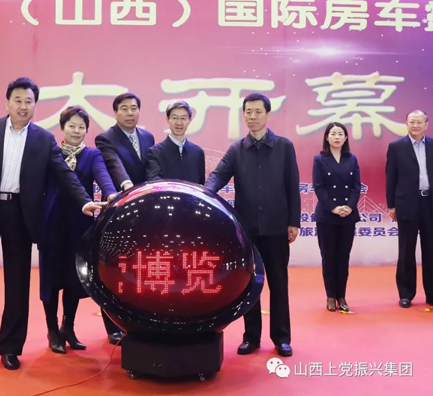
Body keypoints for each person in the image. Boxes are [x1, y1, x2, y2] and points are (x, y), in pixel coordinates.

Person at [0, 77, 104, 370]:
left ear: (35, 105)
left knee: (17, 284)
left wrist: (84, 201)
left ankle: (10, 348)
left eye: (29, 101)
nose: (23, 106)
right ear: (7, 102)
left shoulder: (43, 139)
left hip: (20, 215)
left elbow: (64, 174)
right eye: (18, 100)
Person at [205, 93, 300, 357]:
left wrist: (294, 221)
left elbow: (292, 185)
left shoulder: (284, 146)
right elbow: (218, 175)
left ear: (268, 115)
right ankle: (251, 337)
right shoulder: (237, 149)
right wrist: (205, 192)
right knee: (250, 285)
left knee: (279, 284)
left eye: (258, 112)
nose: (253, 117)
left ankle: (281, 337)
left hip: (276, 227)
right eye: (248, 112)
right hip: (246, 230)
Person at [39, 106, 117, 354]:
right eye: (71, 126)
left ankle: (68, 328)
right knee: (51, 280)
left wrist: (111, 194)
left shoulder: (92, 155)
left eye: (81, 127)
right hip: (51, 225)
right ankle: (52, 330)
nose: (76, 131)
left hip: (79, 225)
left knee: (74, 280)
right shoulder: (50, 153)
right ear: (62, 128)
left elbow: (103, 176)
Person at [95, 92, 155, 344]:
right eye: (124, 108)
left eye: (134, 108)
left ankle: (140, 318)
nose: (130, 113)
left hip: (145, 212)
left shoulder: (148, 137)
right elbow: (114, 164)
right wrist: (128, 186)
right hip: (120, 208)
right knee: (114, 268)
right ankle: (113, 326)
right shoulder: (105, 138)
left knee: (140, 268)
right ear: (115, 112)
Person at [385, 110, 433, 308]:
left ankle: (431, 294)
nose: (416, 125)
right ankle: (406, 294)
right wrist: (391, 205)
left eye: (419, 122)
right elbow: (391, 177)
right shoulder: (396, 147)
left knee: (431, 250)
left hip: (430, 204)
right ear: (406, 124)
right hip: (406, 204)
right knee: (406, 250)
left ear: (426, 124)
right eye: (412, 122)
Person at [312, 122, 361, 312]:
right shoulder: (319, 159)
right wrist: (333, 207)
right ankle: (330, 296)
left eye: (341, 134)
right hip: (327, 216)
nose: (337, 137)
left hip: (348, 215)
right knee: (328, 257)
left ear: (346, 137)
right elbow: (319, 187)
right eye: (333, 133)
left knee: (343, 257)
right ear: (327, 137)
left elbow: (356, 186)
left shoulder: (352, 158)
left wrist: (349, 207)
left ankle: (342, 296)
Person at [145, 100, 205, 184]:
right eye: (174, 118)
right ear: (167, 119)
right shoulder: (154, 152)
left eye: (183, 118)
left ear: (190, 120)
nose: (179, 123)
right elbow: (154, 182)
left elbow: (200, 185)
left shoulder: (198, 152)